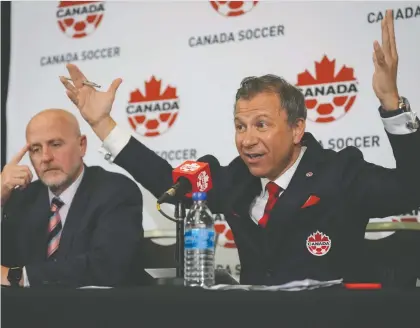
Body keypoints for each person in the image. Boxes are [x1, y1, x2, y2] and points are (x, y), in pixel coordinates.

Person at [59, 10, 420, 285]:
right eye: (240, 126)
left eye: (261, 125)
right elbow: (166, 179)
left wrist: (392, 105)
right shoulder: (235, 179)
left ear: (297, 129)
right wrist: (102, 124)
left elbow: (412, 189)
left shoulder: (340, 172)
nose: (247, 140)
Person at [1, 109, 145, 288]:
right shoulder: (21, 198)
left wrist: (19, 276)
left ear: (81, 145)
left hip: (101, 312)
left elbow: (106, 266)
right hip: (32, 313)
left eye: (55, 144)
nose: (46, 157)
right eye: (36, 149)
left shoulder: (115, 191)